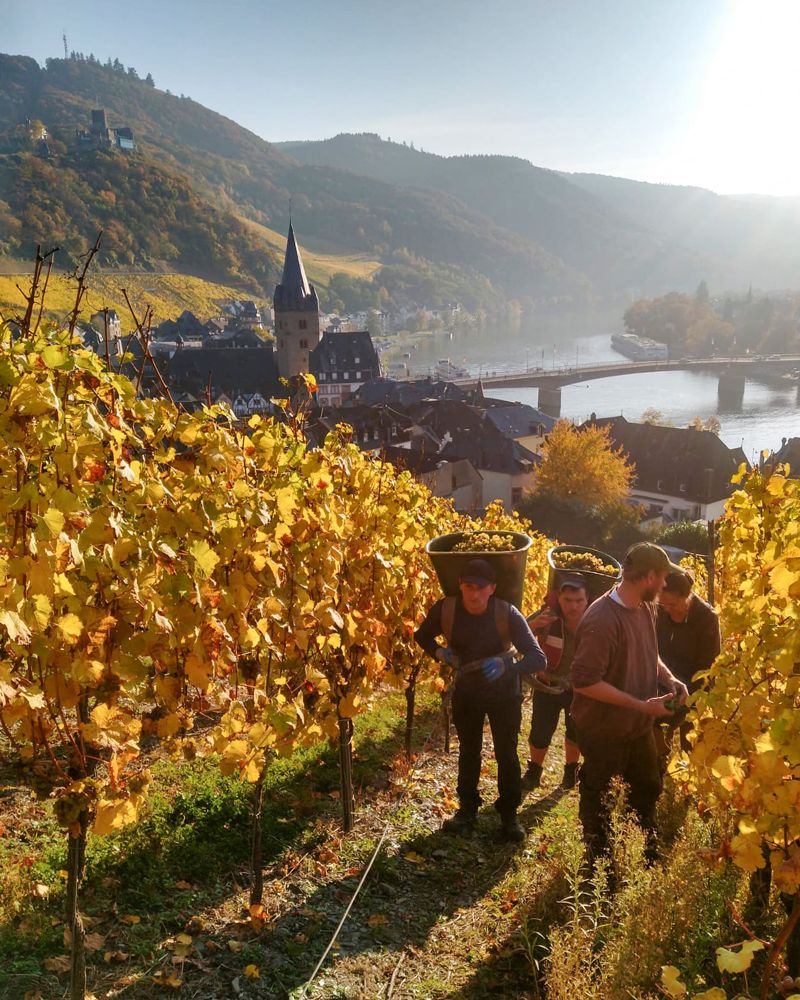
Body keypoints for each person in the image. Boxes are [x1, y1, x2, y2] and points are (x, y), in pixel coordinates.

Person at [570, 542, 690, 862]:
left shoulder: (644, 607)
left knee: (648, 787)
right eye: (663, 578)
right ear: (649, 576)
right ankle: (598, 868)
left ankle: (645, 855)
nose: (665, 585)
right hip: (604, 729)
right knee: (602, 798)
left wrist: (670, 678)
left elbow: (648, 652)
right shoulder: (602, 620)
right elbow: (584, 683)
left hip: (637, 726)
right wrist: (641, 705)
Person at [415, 558, 546, 842]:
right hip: (467, 690)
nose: (473, 594)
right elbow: (422, 636)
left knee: (507, 753)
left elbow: (538, 658)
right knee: (469, 750)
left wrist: (508, 667)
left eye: (480, 587)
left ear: (492, 588)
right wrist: (441, 653)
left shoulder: (508, 614)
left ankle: (509, 816)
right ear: (460, 586)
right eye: (467, 586)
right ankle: (467, 811)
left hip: (504, 694)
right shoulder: (446, 609)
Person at [523, 577, 589, 791]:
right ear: (559, 598)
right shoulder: (548, 616)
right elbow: (518, 633)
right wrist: (534, 625)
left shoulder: (595, 621)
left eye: (579, 600)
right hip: (547, 685)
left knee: (576, 730)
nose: (573, 606)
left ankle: (571, 770)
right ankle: (534, 770)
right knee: (541, 731)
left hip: (580, 689)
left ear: (587, 599)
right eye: (568, 600)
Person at [656, 569, 721, 754]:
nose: (667, 609)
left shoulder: (706, 618)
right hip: (664, 683)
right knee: (652, 722)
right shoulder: (661, 611)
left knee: (691, 746)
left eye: (673, 604)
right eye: (663, 604)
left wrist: (680, 699)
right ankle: (658, 766)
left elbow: (706, 670)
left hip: (695, 689)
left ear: (688, 596)